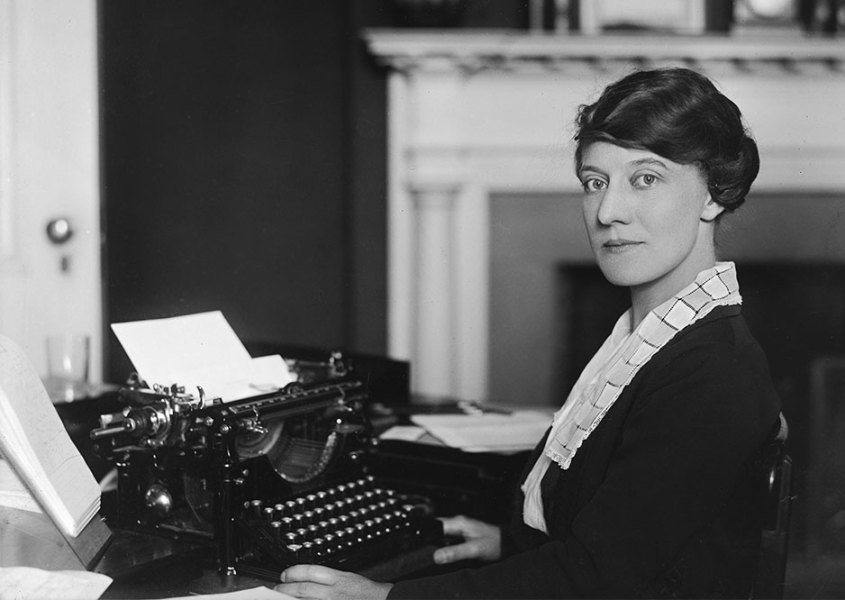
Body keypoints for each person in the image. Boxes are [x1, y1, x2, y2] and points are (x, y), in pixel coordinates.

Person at [275, 67, 782, 599]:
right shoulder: (649, 339)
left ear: (714, 193)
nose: (608, 212)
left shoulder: (712, 366)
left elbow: (596, 579)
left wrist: (384, 599)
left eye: (645, 178)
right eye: (595, 182)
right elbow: (622, 534)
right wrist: (508, 541)